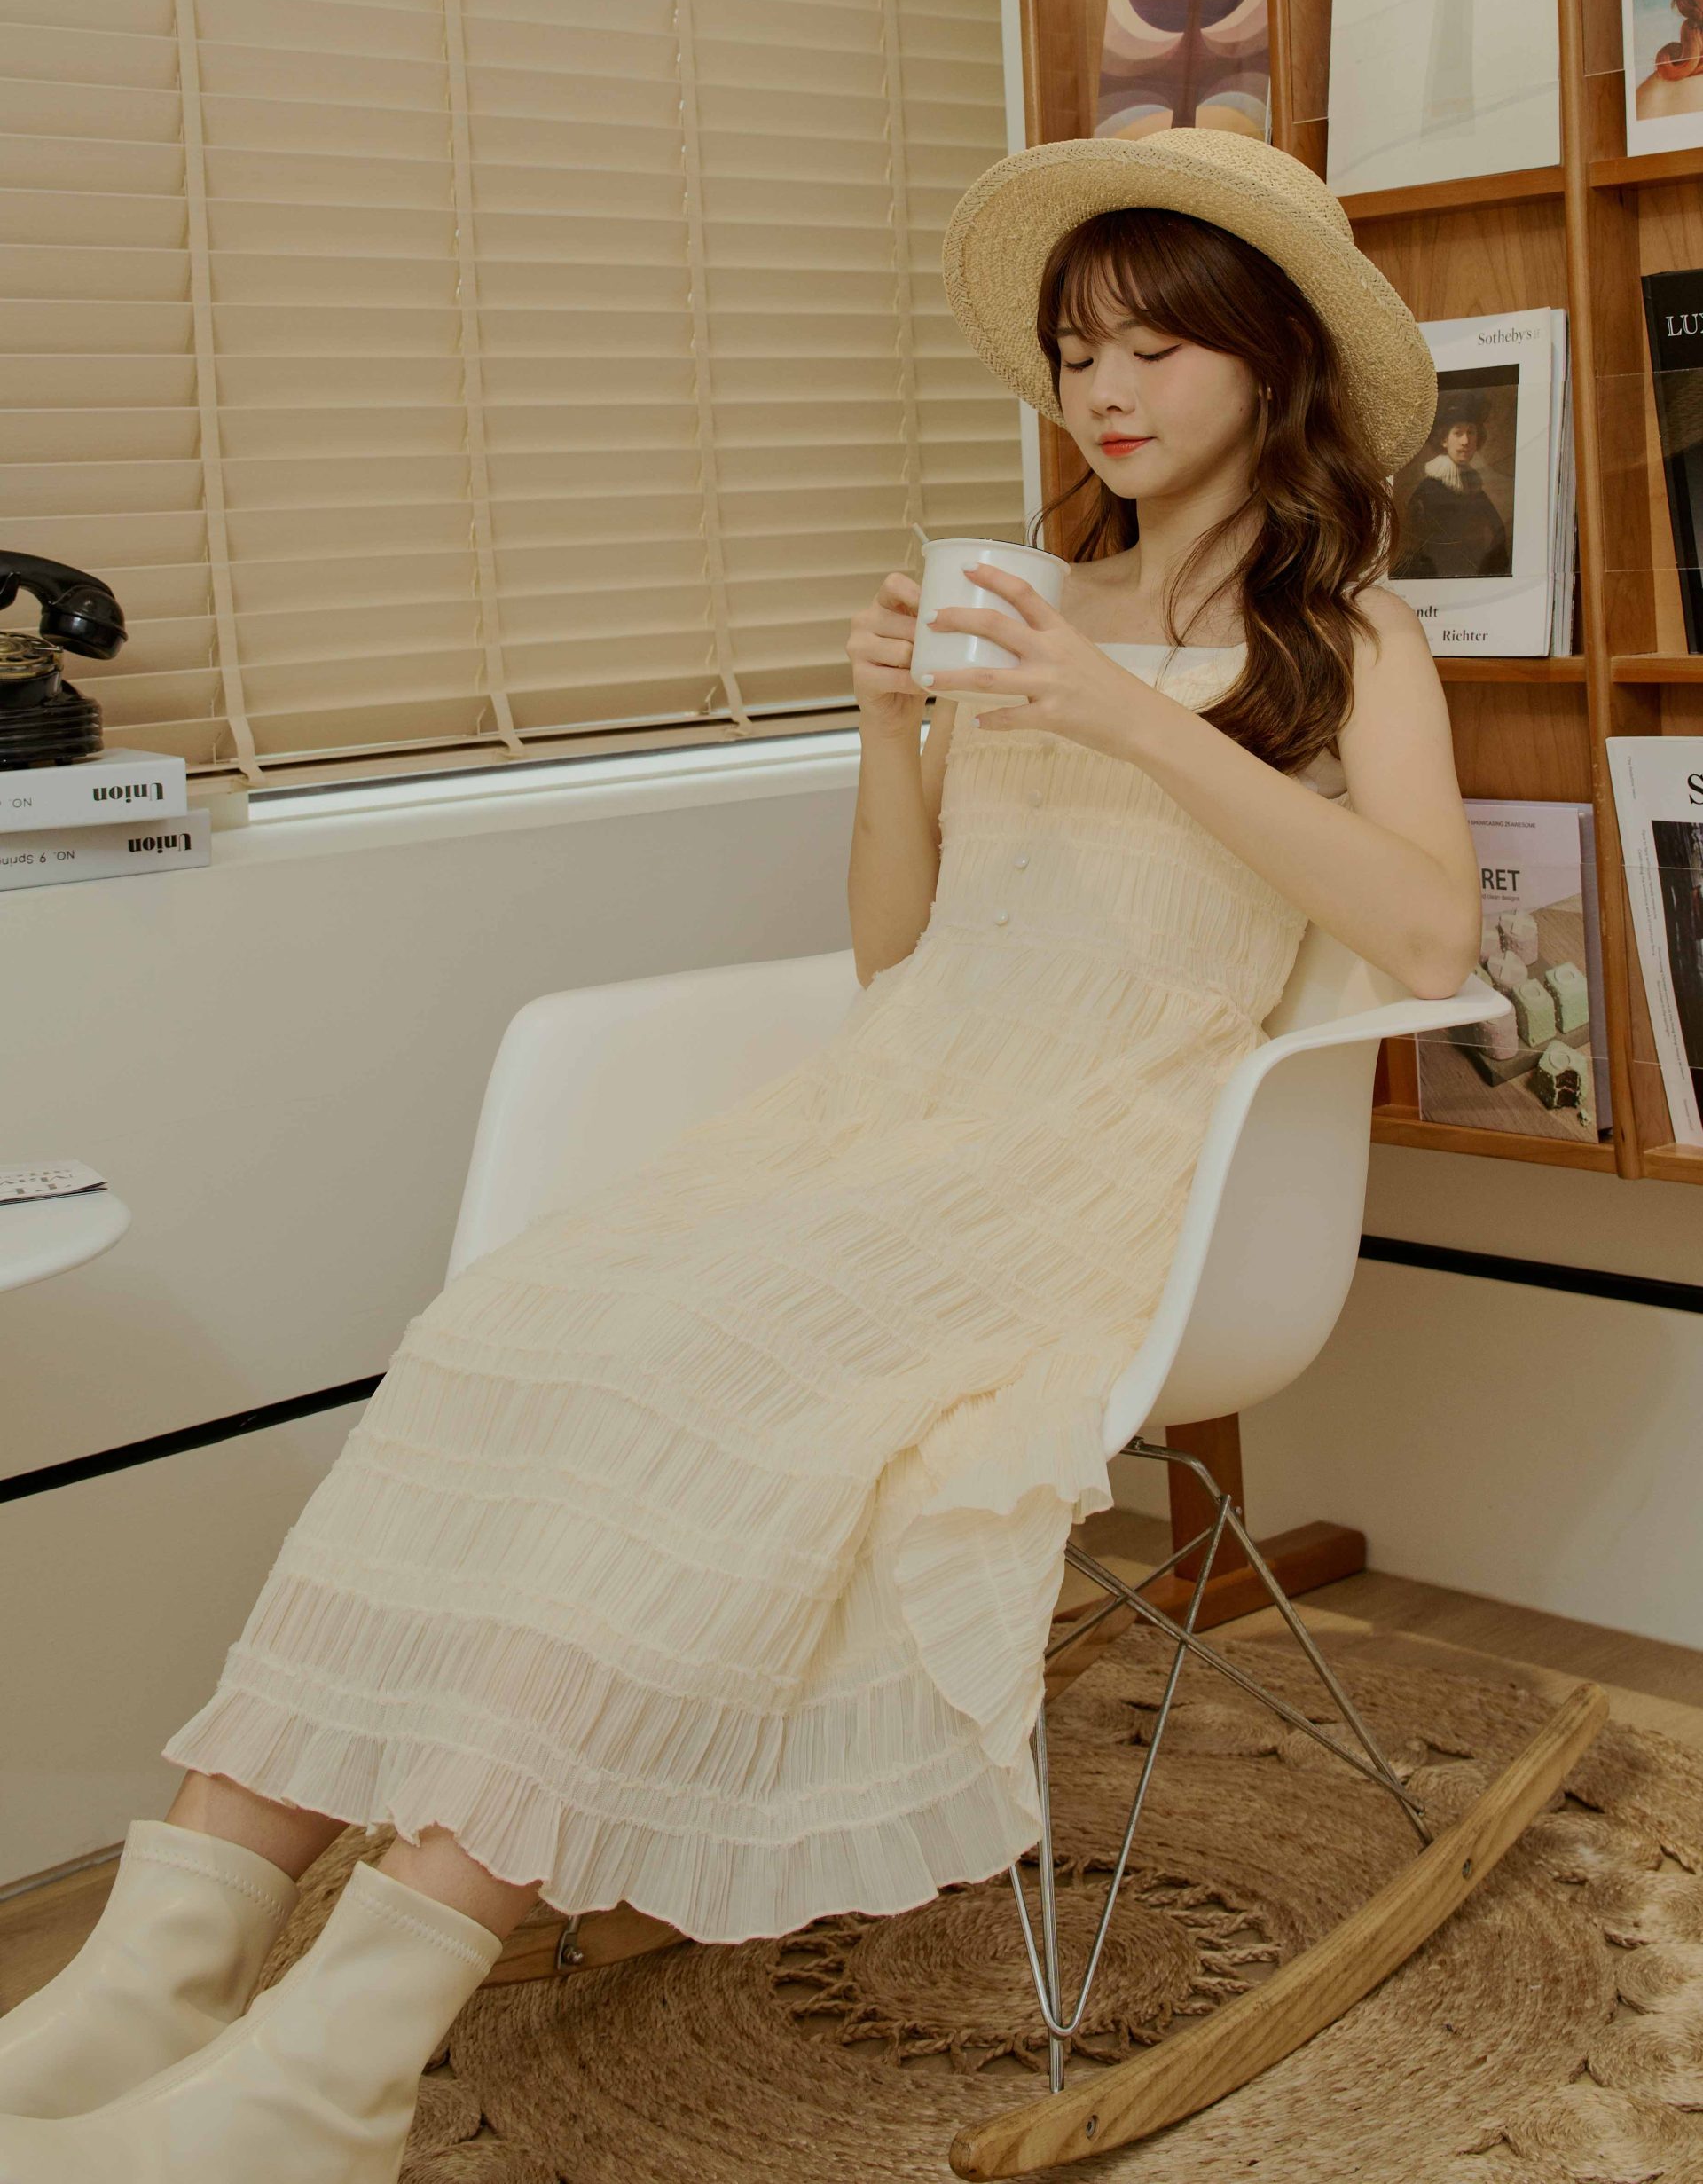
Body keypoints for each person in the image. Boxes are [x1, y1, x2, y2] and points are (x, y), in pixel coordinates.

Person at [0, 128, 1481, 2180]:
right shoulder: (1025, 607)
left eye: (1157, 346)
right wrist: (885, 725)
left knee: (708, 1394)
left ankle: (343, 2045)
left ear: (1272, 362)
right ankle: (161, 1960)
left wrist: (1137, 715)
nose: (1105, 391)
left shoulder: (1354, 642)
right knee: (508, 1337)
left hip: (1106, 1156)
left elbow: (1430, 936)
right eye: (1075, 351)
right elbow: (900, 953)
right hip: (892, 1107)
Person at [1390, 390, 1511, 579]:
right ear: (1444, 440)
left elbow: (1498, 535)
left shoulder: (1474, 489)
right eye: (1458, 433)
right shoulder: (1428, 490)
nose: (1465, 441)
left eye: (1471, 432)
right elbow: (1412, 548)